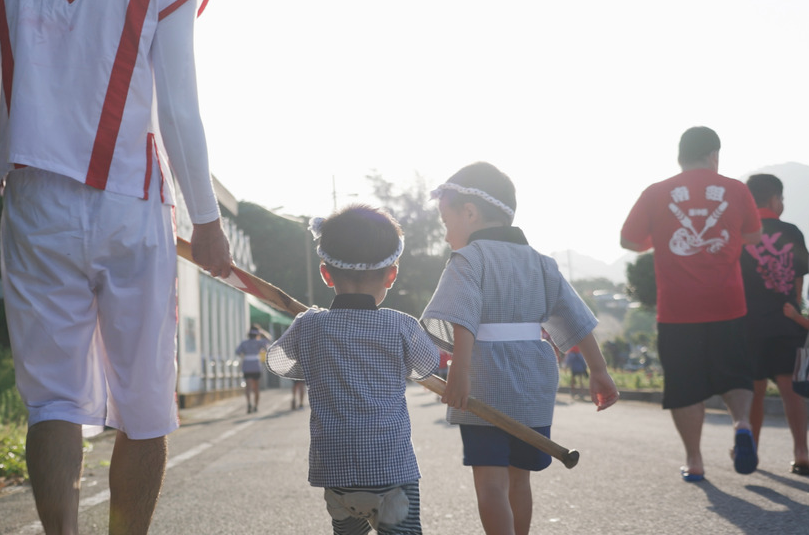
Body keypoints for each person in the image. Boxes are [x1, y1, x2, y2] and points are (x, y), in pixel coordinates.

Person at [0, 0, 232, 534]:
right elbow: (177, 108)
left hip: (35, 196)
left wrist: (36, 145)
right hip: (130, 195)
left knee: (53, 400)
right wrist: (205, 219)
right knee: (144, 403)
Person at [421, 162, 619, 535]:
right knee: (519, 481)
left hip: (484, 379)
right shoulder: (542, 263)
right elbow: (574, 318)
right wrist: (599, 370)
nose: (446, 233)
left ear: (470, 213)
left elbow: (463, 315)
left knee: (490, 485)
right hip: (532, 380)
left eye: (446, 222)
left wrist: (459, 371)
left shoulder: (469, 259)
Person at [266, 204, 440, 535]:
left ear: (325, 273)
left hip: (336, 472)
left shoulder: (311, 325)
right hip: (391, 469)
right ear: (392, 274)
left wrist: (312, 337)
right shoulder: (399, 324)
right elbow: (427, 367)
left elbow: (279, 362)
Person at [620, 126, 762, 483]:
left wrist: (661, 240)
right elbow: (753, 234)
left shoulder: (656, 192)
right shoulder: (736, 189)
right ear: (714, 155)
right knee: (736, 373)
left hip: (678, 311)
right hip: (728, 304)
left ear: (680, 156)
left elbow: (628, 240)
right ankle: (742, 424)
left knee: (684, 385)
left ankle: (695, 460)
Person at [740, 174, 809, 475]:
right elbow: (798, 281)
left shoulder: (740, 233)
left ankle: (751, 450)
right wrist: (793, 309)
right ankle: (802, 453)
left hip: (749, 322)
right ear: (773, 200)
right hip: (785, 320)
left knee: (754, 390)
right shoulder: (792, 232)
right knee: (790, 389)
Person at [235, 326, 269, 413]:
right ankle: (256, 405)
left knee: (248, 387)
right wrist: (262, 333)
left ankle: (248, 403)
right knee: (256, 387)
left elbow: (238, 352)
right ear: (256, 334)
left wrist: (245, 355)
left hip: (247, 365)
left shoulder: (244, 343)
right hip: (256, 366)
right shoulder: (259, 342)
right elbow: (268, 340)